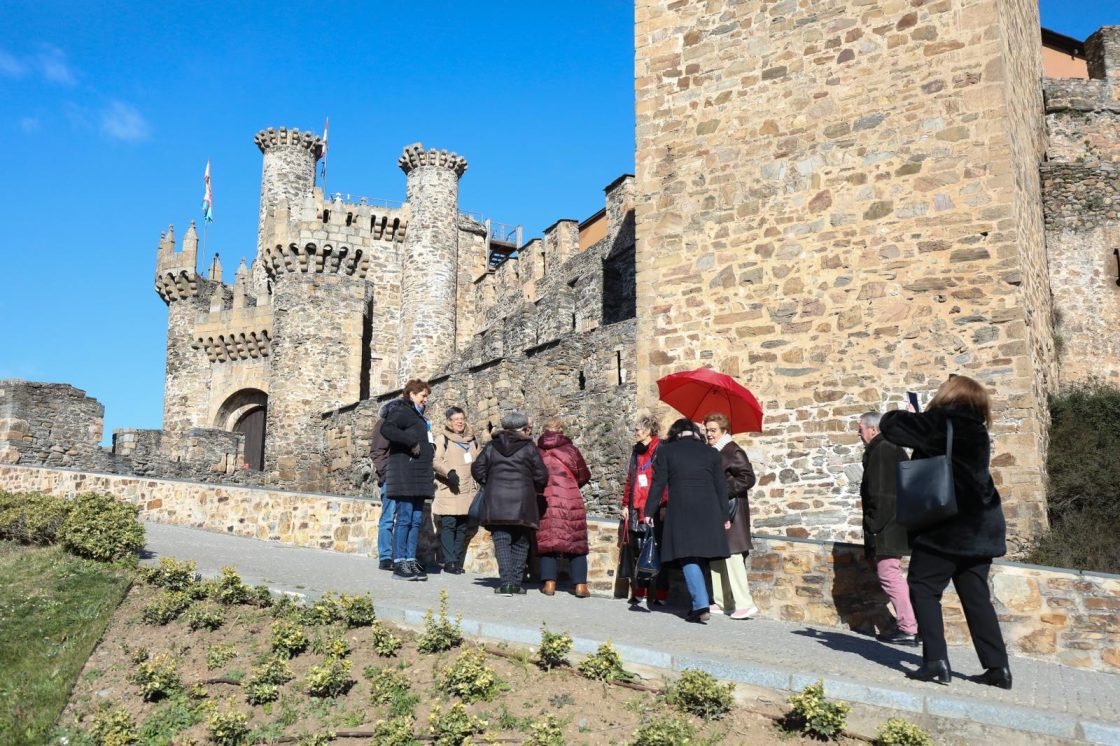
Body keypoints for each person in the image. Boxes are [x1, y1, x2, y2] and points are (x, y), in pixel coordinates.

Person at [879, 375, 1012, 689]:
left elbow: (890, 426)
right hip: (982, 526)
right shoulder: (979, 430)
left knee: (923, 587)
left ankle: (935, 661)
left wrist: (908, 414)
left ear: (949, 395)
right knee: (977, 597)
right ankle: (998, 668)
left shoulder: (941, 422)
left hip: (946, 526)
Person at [643, 418, 731, 623]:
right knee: (699, 555)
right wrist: (724, 515)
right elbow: (721, 486)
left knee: (687, 554)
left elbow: (658, 483)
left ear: (675, 432)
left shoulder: (667, 451)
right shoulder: (711, 452)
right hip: (709, 509)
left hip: (682, 509)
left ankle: (700, 605)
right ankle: (701, 602)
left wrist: (649, 511)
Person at [471, 410, 549, 597]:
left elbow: (477, 468)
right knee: (521, 543)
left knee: (502, 541)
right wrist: (534, 487)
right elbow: (542, 475)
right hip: (523, 502)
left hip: (496, 501)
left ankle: (506, 583)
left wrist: (488, 483)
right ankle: (516, 583)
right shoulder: (529, 448)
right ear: (522, 428)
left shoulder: (491, 446)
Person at [857, 411, 917, 646]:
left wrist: (874, 525)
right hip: (894, 523)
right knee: (893, 573)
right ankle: (912, 625)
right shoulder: (888, 448)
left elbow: (879, 493)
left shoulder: (882, 450)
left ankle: (908, 628)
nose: (858, 433)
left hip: (888, 525)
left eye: (860, 428)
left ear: (873, 429)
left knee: (889, 573)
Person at [379, 379, 436, 582]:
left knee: (416, 519)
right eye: (423, 395)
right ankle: (399, 561)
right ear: (411, 394)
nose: (425, 399)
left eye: (426, 396)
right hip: (405, 473)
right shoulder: (401, 411)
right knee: (404, 518)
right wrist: (410, 442)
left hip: (420, 476)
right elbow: (387, 429)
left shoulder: (419, 417)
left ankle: (410, 559)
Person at [703, 413, 758, 620]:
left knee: (733, 555)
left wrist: (722, 488)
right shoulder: (714, 452)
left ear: (724, 431)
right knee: (717, 555)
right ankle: (722, 601)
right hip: (716, 510)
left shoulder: (733, 450)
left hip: (732, 511)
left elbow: (748, 477)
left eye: (713, 430)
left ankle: (744, 603)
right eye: (707, 430)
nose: (709, 434)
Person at [536, 418, 593, 598]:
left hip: (546, 500)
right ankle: (580, 586)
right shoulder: (571, 450)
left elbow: (534, 476)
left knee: (548, 541)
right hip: (570, 500)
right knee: (576, 541)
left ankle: (550, 583)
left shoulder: (538, 452)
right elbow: (584, 475)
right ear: (562, 430)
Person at [620, 414, 670, 607]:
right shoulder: (635, 451)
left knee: (658, 550)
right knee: (639, 550)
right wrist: (625, 504)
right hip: (636, 507)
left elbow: (665, 481)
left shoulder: (661, 449)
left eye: (638, 430)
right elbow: (630, 479)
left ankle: (660, 592)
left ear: (648, 431)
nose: (635, 433)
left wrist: (664, 505)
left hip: (655, 507)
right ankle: (640, 590)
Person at [432, 406, 480, 575]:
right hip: (450, 489)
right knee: (449, 525)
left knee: (462, 527)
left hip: (468, 490)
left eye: (462, 418)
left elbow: (479, 460)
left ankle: (457, 561)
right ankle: (449, 561)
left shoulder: (472, 439)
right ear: (449, 422)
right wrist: (449, 472)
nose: (460, 422)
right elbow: (436, 461)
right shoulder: (442, 439)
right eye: (456, 419)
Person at [370, 410, 396, 571]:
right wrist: (386, 472)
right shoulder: (384, 424)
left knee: (404, 520)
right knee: (388, 518)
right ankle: (385, 556)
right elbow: (377, 451)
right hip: (390, 478)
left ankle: (399, 556)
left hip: (404, 479)